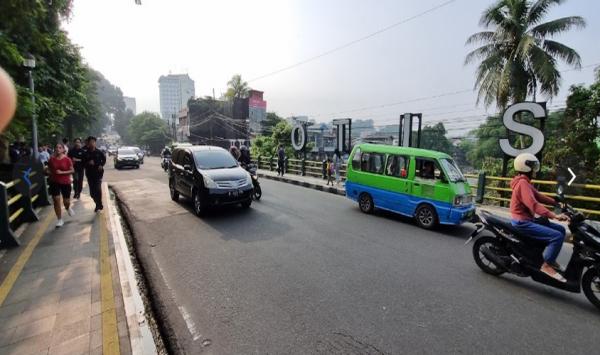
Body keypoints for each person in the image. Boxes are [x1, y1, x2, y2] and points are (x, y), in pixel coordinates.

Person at [510, 153, 570, 282]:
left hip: (527, 219)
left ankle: (550, 258)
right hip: (522, 222)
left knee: (561, 230)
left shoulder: (524, 182)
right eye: (533, 166)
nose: (535, 170)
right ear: (526, 167)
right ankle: (546, 265)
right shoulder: (522, 184)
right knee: (556, 236)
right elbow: (533, 204)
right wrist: (554, 215)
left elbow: (538, 196)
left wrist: (556, 202)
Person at [48, 143, 75, 227]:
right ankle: (59, 219)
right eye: (56, 147)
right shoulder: (51, 159)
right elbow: (48, 169)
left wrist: (62, 172)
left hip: (65, 182)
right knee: (56, 199)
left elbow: (72, 171)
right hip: (54, 181)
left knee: (66, 201)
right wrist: (46, 172)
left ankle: (67, 207)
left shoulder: (67, 159)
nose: (58, 149)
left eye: (60, 148)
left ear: (63, 150)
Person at [83, 136, 106, 212]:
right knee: (92, 193)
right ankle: (97, 203)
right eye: (90, 142)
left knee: (98, 190)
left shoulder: (99, 152)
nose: (92, 143)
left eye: (93, 142)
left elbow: (104, 159)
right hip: (90, 175)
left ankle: (99, 204)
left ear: (95, 143)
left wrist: (101, 165)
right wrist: (88, 163)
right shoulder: (86, 153)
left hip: (98, 174)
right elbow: (82, 163)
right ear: (88, 143)